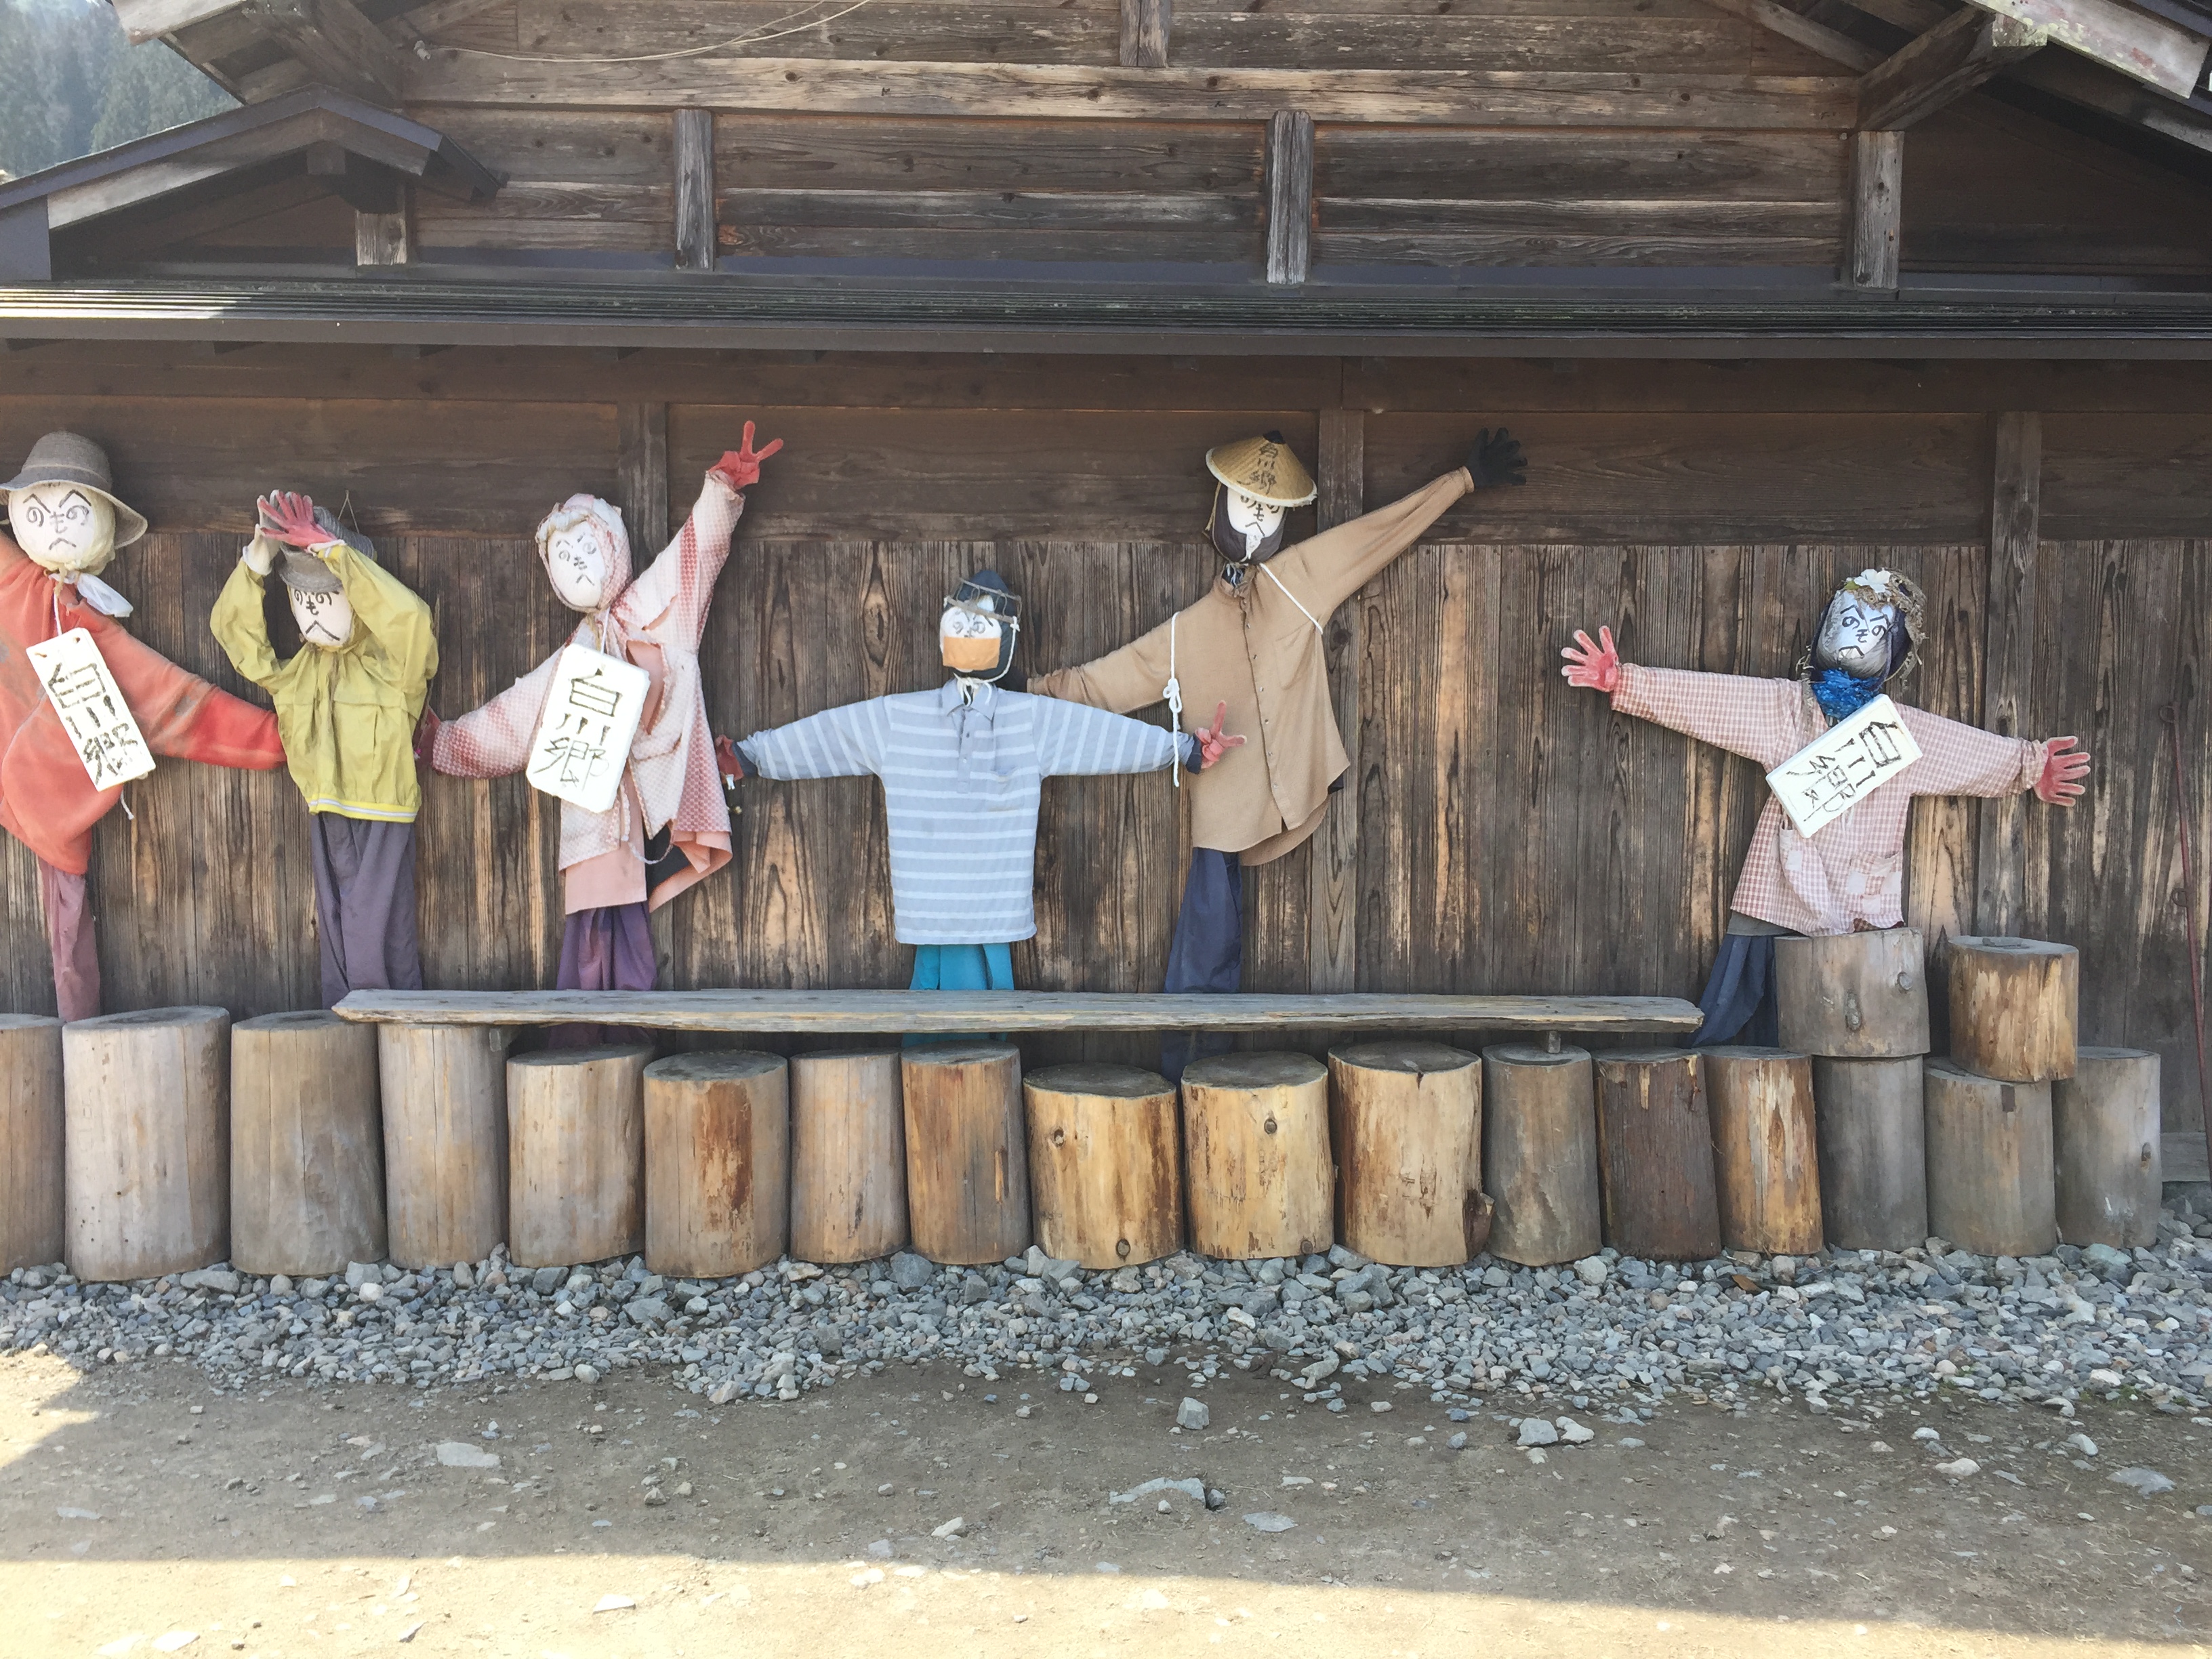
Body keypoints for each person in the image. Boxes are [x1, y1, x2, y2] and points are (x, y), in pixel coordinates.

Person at [1028, 426, 1526, 1078]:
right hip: (1223, 811)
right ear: (1220, 507)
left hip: (1305, 782)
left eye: (1270, 510)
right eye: (1247, 505)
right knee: (1206, 942)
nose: (1258, 520)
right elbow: (1099, 684)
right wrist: (1017, 693)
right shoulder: (1183, 634)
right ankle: (1191, 1077)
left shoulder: (1296, 584)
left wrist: (1462, 480)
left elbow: (1375, 537)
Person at [1560, 568, 2091, 1044]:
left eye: (1875, 629)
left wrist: (2029, 766)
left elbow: (1966, 752)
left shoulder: (1901, 733)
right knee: (1745, 1031)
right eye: (1848, 619)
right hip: (1781, 888)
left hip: (1861, 906)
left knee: (1863, 1039)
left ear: (1895, 652)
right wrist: (1626, 681)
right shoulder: (1788, 710)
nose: (1856, 634)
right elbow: (1712, 700)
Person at [717, 569, 1242, 1000]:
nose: (969, 635)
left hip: (994, 908)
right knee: (940, 1038)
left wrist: (1183, 749)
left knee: (986, 1040)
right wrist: (752, 756)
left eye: (982, 627)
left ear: (1005, 640)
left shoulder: (1028, 719)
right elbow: (829, 736)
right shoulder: (901, 718)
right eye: (962, 623)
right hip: (932, 911)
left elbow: (1103, 737)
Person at [425, 426, 779, 1026]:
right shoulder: (575, 653)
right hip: (598, 813)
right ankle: (590, 1043)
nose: (577, 567)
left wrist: (723, 489)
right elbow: (514, 718)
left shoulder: (656, 601)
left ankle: (627, 1040)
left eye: (586, 551)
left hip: (659, 794)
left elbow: (696, 550)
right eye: (563, 561)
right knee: (593, 933)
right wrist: (443, 743)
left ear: (613, 548)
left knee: (631, 941)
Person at [0, 430, 283, 1019]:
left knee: (68, 931)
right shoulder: (13, 584)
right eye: (39, 513)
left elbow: (178, 707)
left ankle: (79, 1035)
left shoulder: (92, 628)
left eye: (74, 513)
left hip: (57, 800)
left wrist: (283, 739)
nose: (56, 527)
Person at [211, 491, 438, 1008]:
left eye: (327, 599)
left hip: (383, 812)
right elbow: (237, 638)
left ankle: (387, 1027)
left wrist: (334, 554)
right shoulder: (302, 671)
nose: (313, 614)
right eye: (303, 601)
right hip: (325, 808)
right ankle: (345, 1032)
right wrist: (258, 560)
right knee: (337, 931)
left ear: (356, 599)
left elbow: (410, 619)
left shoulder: (393, 667)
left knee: (375, 931)